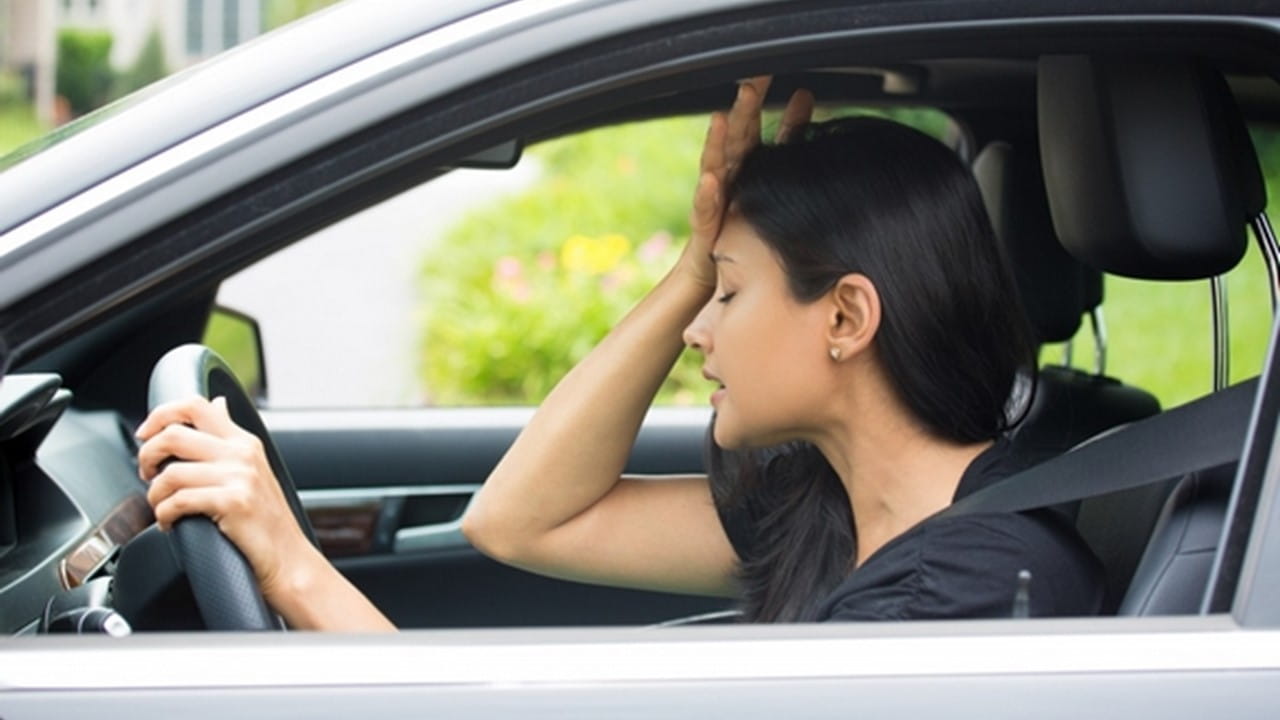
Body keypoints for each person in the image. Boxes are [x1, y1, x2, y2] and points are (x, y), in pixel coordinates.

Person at [136, 77, 1102, 630]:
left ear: (846, 319)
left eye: (727, 294)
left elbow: (518, 528)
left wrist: (293, 568)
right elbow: (520, 523)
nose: (697, 329)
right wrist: (694, 262)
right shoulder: (839, 515)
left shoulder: (953, 600)